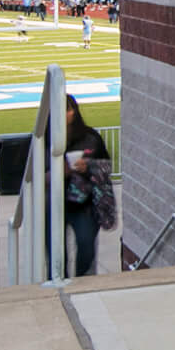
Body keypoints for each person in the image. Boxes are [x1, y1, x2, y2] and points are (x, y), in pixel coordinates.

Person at [61, 95, 116, 276]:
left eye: (68, 110)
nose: (65, 115)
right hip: (53, 203)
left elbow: (106, 165)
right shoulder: (43, 140)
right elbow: (30, 172)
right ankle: (60, 281)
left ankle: (82, 282)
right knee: (55, 251)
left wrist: (88, 167)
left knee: (86, 248)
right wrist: (55, 173)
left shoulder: (90, 137)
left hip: (84, 204)